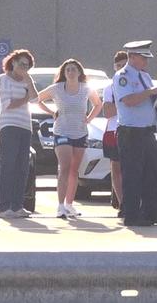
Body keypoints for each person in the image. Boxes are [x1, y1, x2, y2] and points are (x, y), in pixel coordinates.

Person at [113, 40, 157, 227]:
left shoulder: (145, 76)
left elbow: (149, 102)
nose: (146, 61)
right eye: (143, 57)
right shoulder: (122, 76)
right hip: (131, 132)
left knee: (151, 174)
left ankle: (153, 212)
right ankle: (132, 214)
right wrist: (149, 92)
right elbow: (128, 100)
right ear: (132, 57)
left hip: (147, 131)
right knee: (132, 175)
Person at [38, 59, 102, 219]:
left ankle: (69, 204)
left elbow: (98, 104)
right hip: (62, 132)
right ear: (63, 73)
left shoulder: (86, 89)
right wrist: (51, 112)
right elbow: (37, 99)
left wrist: (89, 118)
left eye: (74, 69)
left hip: (80, 132)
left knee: (75, 169)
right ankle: (60, 206)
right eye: (68, 70)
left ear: (79, 72)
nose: (71, 72)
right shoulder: (57, 89)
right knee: (65, 166)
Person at [0, 49, 38, 218]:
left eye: (27, 66)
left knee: (22, 166)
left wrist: (28, 80)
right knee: (9, 165)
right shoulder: (3, 79)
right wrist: (25, 98)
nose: (23, 68)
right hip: (8, 125)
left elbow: (36, 99)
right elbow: (8, 104)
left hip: (25, 126)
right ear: (12, 62)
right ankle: (4, 206)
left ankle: (17, 205)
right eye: (21, 64)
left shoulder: (28, 80)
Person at [102, 51, 128, 218]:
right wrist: (125, 101)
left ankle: (134, 201)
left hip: (131, 129)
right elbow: (108, 111)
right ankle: (122, 203)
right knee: (116, 168)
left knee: (131, 168)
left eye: (124, 66)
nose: (121, 69)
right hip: (113, 130)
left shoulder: (135, 83)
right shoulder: (109, 88)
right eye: (118, 66)